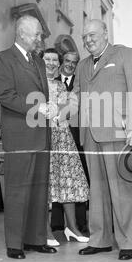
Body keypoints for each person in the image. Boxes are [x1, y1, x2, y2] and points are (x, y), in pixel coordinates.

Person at [72, 19, 132, 260]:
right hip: (91, 136)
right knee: (97, 191)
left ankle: (126, 242)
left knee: (121, 189)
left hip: (118, 132)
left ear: (106, 33)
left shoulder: (125, 54)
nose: (89, 40)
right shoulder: (82, 65)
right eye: (85, 37)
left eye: (93, 34)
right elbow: (76, 97)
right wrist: (57, 108)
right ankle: (100, 240)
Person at [0, 15, 57, 260]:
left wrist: (48, 107)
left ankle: (36, 239)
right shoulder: (3, 59)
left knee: (39, 190)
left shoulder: (39, 61)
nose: (40, 39)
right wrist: (37, 108)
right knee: (17, 191)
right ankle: (15, 244)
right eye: (37, 34)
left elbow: (40, 94)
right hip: (19, 136)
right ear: (21, 33)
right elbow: (6, 96)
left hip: (41, 134)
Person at [42, 48, 89, 247]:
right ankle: (44, 230)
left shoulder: (61, 85)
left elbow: (66, 111)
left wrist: (62, 112)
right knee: (45, 184)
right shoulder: (36, 83)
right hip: (43, 137)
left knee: (68, 181)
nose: (51, 63)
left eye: (55, 60)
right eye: (47, 59)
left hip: (63, 136)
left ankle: (72, 227)